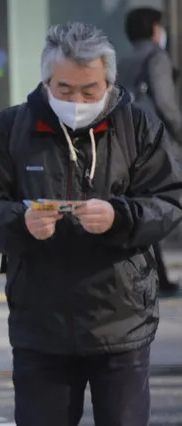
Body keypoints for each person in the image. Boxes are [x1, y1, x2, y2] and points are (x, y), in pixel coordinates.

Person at [0, 23, 182, 426]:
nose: (77, 100)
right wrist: (19, 222)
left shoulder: (138, 126)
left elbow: (170, 198)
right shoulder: (11, 128)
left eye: (89, 90)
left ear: (109, 83)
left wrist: (121, 216)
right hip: (40, 326)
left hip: (122, 322)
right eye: (64, 89)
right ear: (46, 81)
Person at [118, 7, 182, 293]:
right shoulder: (156, 57)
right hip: (158, 144)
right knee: (165, 206)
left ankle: (159, 278)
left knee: (146, 209)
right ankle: (161, 278)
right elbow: (166, 104)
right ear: (155, 30)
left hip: (129, 143)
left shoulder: (121, 59)